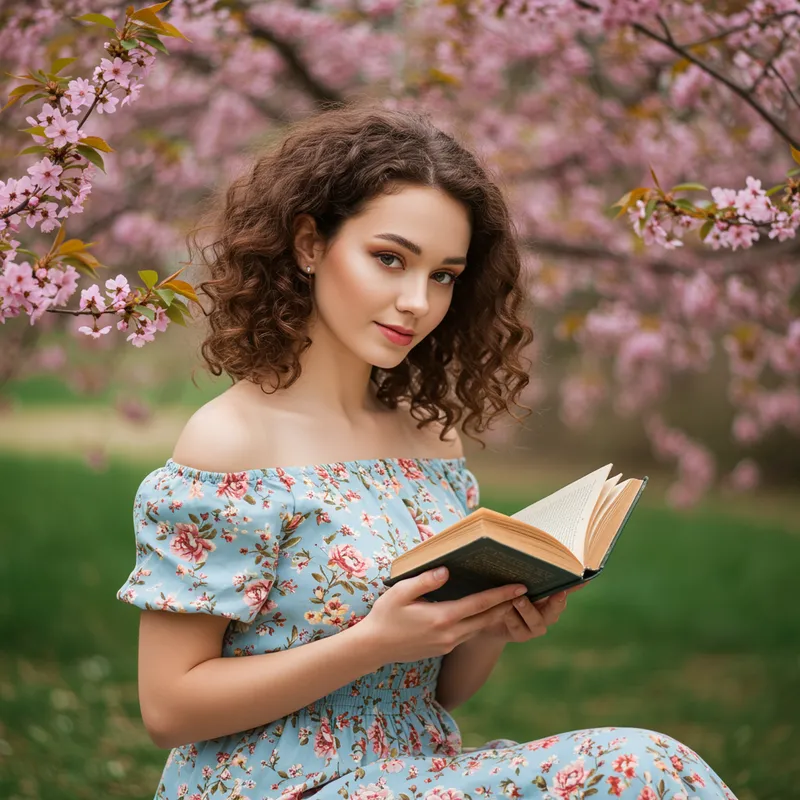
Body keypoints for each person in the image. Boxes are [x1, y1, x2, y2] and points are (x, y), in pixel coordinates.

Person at [116, 101, 738, 800]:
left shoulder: (430, 438)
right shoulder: (233, 441)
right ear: (309, 244)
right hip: (269, 786)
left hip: (415, 774)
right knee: (643, 768)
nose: (417, 300)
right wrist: (371, 642)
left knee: (649, 770)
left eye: (443, 274)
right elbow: (169, 708)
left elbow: (441, 689)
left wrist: (494, 625)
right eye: (390, 259)